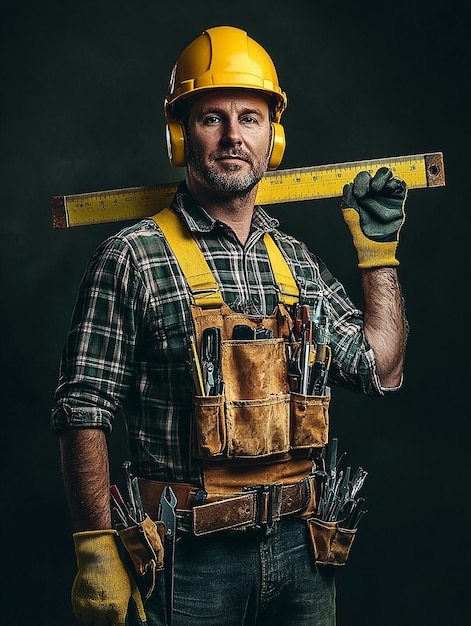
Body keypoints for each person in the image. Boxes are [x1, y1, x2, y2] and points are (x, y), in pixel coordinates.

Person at [51, 25, 408, 626]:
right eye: (211, 117)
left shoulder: (296, 264)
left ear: (275, 136)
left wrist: (379, 254)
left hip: (303, 553)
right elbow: (83, 408)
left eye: (251, 117)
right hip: (185, 560)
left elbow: (382, 368)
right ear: (180, 134)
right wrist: (94, 546)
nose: (233, 136)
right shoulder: (133, 256)